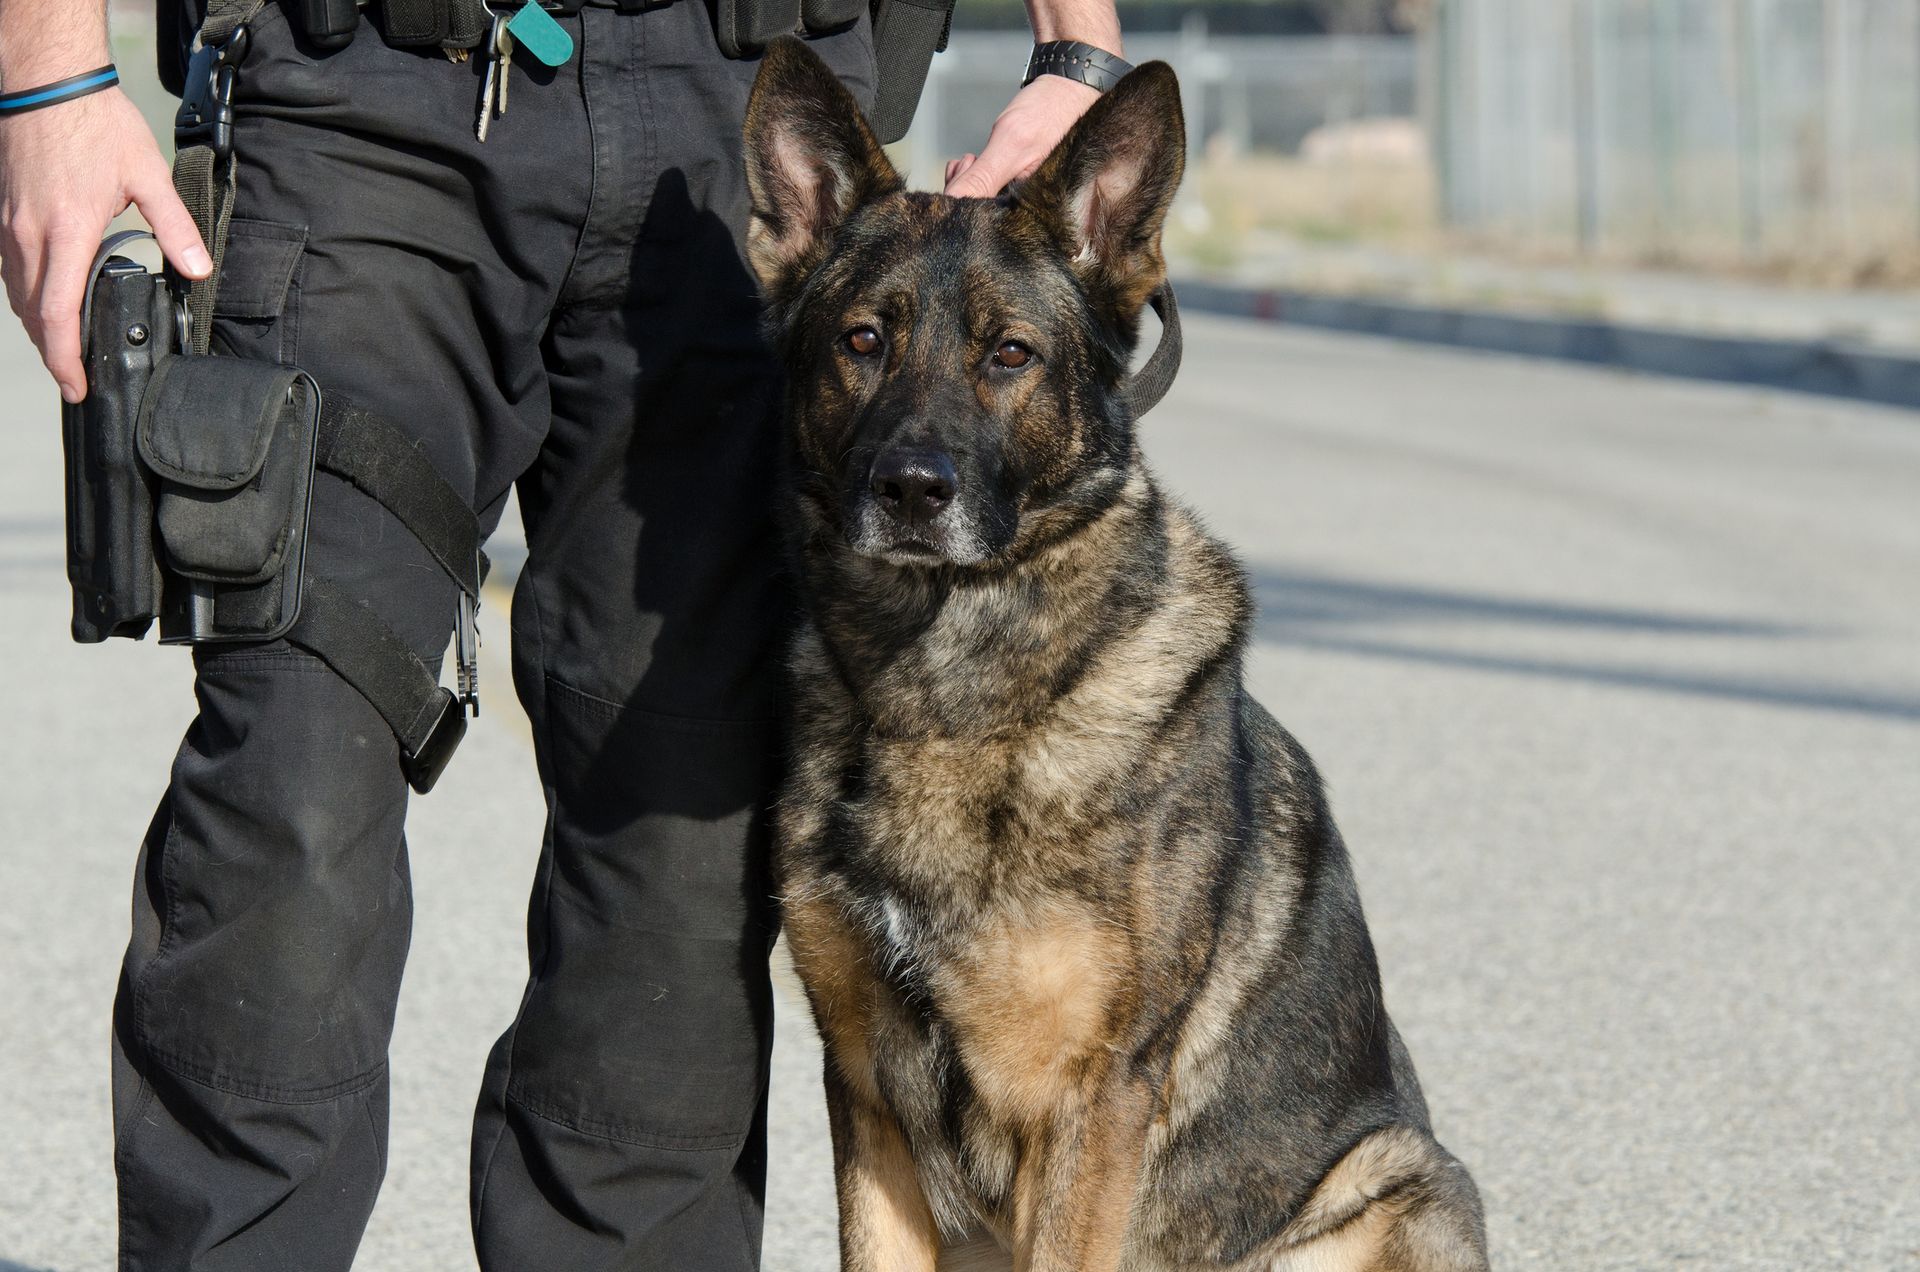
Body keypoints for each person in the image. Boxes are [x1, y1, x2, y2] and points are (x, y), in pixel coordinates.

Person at [0, 0, 1127, 1266]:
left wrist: (1077, 48)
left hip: (744, 96)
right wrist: (50, 79)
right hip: (367, 97)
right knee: (290, 782)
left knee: (682, 858)